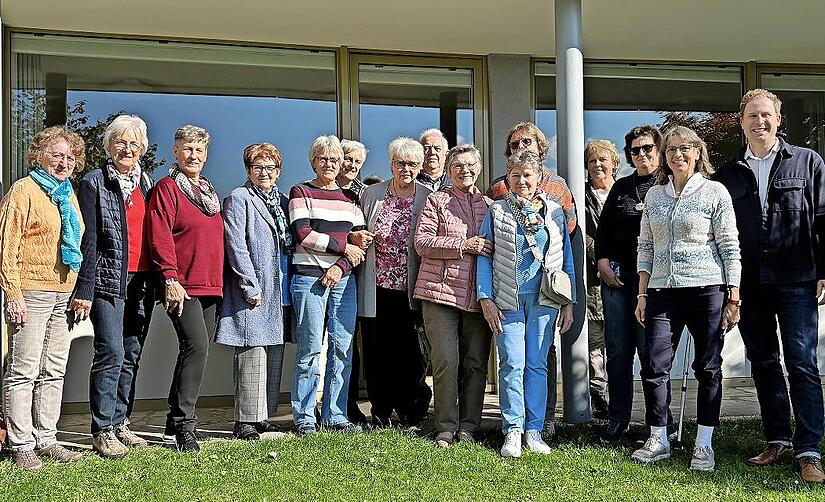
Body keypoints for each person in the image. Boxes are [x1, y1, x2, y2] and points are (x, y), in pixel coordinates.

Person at [713, 89, 825, 483]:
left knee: (802, 362)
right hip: (750, 285)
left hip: (797, 279)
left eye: (766, 115)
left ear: (778, 120)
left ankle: (809, 449)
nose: (759, 122)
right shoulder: (727, 174)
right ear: (741, 122)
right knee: (762, 362)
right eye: (751, 116)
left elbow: (822, 217)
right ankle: (778, 439)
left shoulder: (807, 161)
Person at [631, 126, 741, 472]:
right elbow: (645, 247)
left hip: (706, 289)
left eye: (685, 149)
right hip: (662, 291)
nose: (678, 155)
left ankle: (704, 444)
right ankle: (659, 437)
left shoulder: (715, 192)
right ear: (664, 156)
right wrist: (642, 292)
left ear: (698, 153)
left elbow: (729, 245)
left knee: (708, 367)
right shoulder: (655, 196)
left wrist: (734, 293)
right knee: (654, 364)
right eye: (672, 149)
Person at [477, 150, 575, 458]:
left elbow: (566, 260)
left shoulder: (555, 212)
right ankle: (513, 431)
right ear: (508, 178)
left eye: (528, 175)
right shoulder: (496, 212)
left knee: (537, 364)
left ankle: (534, 430)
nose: (522, 181)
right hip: (508, 298)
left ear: (538, 178)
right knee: (512, 363)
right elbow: (484, 256)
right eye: (516, 175)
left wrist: (568, 302)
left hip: (545, 299)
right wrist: (485, 298)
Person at [0, 126, 86, 470]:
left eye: (70, 157)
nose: (64, 162)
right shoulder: (24, 190)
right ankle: (21, 444)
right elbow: (6, 246)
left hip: (63, 292)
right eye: (56, 155)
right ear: (39, 156)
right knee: (23, 369)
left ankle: (46, 438)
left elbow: (75, 245)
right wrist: (13, 294)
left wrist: (77, 289)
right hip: (31, 292)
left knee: (53, 370)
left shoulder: (67, 194)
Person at [72, 115, 155, 458]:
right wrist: (85, 290)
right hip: (109, 280)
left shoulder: (148, 183)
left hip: (142, 280)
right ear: (108, 146)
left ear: (142, 150)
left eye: (134, 143)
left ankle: (121, 422)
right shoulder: (94, 182)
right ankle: (102, 429)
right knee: (111, 352)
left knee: (131, 353)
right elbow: (87, 240)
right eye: (121, 142)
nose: (127, 149)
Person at [148, 125, 224, 453]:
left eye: (199, 151)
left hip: (210, 283)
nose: (193, 155)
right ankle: (184, 426)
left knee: (194, 350)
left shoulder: (209, 192)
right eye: (187, 149)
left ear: (206, 156)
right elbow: (160, 233)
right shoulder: (167, 188)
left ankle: (171, 423)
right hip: (183, 283)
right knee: (197, 348)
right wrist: (170, 278)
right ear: (176, 152)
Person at [413, 144, 492, 447]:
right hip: (439, 293)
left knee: (475, 363)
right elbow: (422, 243)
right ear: (448, 170)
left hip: (478, 297)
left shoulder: (489, 204)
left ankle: (470, 425)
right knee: (446, 360)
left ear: (479, 168)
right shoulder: (437, 200)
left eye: (471, 165)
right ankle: (445, 425)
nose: (465, 170)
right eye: (458, 165)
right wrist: (463, 245)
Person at [289, 135, 366, 435]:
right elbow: (303, 234)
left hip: (343, 281)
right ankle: (304, 416)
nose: (329, 165)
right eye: (323, 159)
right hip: (309, 279)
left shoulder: (350, 200)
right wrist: (343, 247)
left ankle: (335, 414)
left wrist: (340, 265)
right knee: (310, 349)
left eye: (334, 160)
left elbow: (360, 245)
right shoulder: (301, 191)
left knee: (342, 349)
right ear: (313, 162)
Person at [216, 143, 291, 441]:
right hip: (255, 287)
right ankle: (245, 421)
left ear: (278, 171)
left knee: (273, 351)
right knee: (251, 351)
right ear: (248, 170)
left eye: (271, 167)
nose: (265, 173)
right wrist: (249, 284)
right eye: (258, 167)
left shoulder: (282, 201)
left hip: (279, 288)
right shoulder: (239, 198)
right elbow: (236, 244)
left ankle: (262, 416)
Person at [595, 125, 666, 442]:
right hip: (618, 282)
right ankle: (618, 418)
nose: (641, 155)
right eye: (635, 151)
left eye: (647, 148)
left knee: (652, 355)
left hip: (653, 284)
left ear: (659, 149)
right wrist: (602, 263)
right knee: (618, 354)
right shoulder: (622, 187)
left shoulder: (668, 187)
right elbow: (603, 233)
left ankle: (658, 423)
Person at [358, 137, 432, 428]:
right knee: (377, 349)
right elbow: (358, 229)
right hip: (376, 286)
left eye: (413, 164)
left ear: (420, 166)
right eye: (400, 163)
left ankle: (411, 409)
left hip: (412, 287)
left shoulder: (427, 196)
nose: (406, 169)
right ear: (391, 164)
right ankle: (381, 409)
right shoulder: (372, 194)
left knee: (412, 352)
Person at [337, 139, 370, 425]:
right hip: (320, 274)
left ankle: (347, 404)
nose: (352, 165)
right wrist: (346, 243)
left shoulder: (363, 195)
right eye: (348, 158)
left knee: (348, 344)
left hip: (356, 276)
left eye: (357, 162)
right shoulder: (316, 189)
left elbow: (365, 239)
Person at [582, 139, 616, 418]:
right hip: (593, 279)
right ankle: (599, 398)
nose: (597, 165)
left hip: (627, 277)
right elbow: (581, 234)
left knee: (620, 342)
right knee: (595, 344)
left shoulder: (626, 191)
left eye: (602, 159)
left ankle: (620, 397)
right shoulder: (582, 196)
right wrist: (602, 254)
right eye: (592, 161)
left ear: (614, 163)